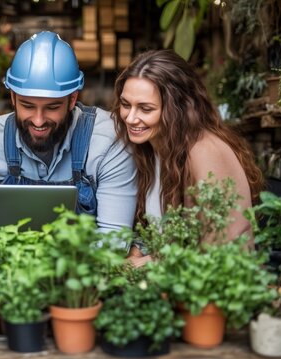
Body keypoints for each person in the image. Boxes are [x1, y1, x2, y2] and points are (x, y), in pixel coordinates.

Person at [0, 31, 137, 232]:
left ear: (72, 99)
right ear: (12, 97)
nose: (38, 120)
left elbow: (113, 241)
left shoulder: (109, 141)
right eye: (27, 105)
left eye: (52, 107)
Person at [112, 49, 264, 265]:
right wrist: (138, 249)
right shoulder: (153, 147)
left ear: (177, 109)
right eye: (126, 105)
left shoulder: (204, 152)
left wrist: (146, 263)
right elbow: (161, 231)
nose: (131, 118)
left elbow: (215, 251)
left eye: (145, 109)